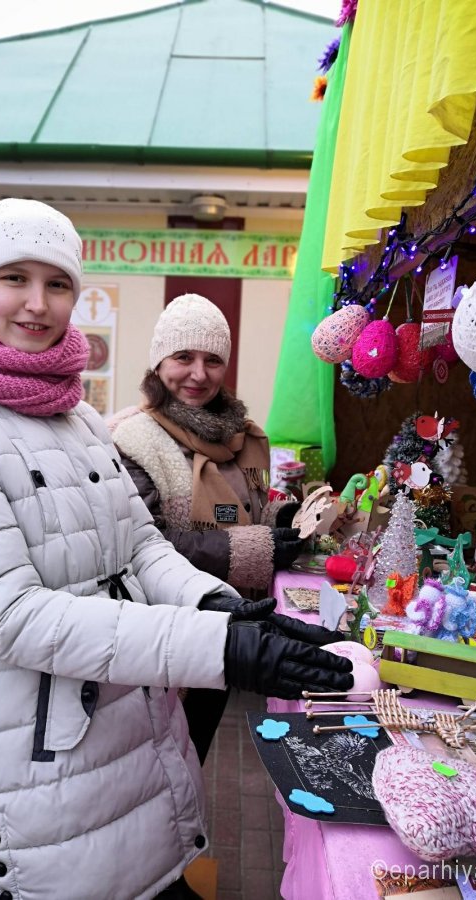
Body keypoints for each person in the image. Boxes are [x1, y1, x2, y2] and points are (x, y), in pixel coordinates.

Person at [0, 199, 352, 900]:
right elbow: (7, 616)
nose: (38, 303)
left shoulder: (76, 415)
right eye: (14, 278)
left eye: (58, 283)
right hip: (41, 756)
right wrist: (221, 649)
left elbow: (139, 544)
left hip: (139, 719)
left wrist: (219, 607)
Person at [111, 293, 304, 763]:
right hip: (164, 638)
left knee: (190, 757)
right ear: (159, 362)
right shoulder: (130, 439)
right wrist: (256, 549)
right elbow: (145, 543)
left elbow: (240, 512)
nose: (199, 374)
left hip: (225, 628)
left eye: (213, 360)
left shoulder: (238, 436)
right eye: (183, 357)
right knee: (154, 762)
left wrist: (281, 520)